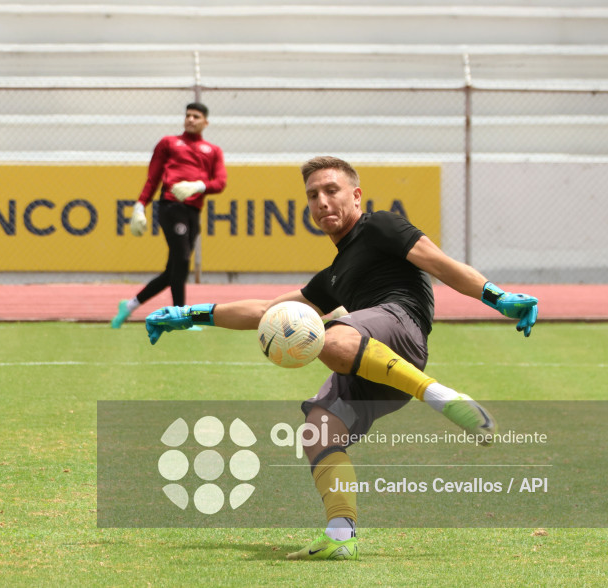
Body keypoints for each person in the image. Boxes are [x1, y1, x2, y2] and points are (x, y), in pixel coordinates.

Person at [144, 156, 538, 560]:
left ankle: (440, 396)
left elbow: (441, 265)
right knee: (318, 431)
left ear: (356, 195)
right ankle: (340, 535)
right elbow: (266, 310)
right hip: (372, 359)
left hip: (399, 326)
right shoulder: (332, 275)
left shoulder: (381, 225)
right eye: (313, 195)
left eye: (331, 191)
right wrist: (189, 314)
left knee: (328, 338)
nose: (322, 201)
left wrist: (498, 297)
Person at [111, 102, 227, 328]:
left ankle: (130, 305)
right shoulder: (169, 143)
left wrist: (199, 186)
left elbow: (220, 182)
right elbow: (153, 178)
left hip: (194, 210)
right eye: (188, 116)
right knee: (182, 259)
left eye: (196, 116)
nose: (191, 119)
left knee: (173, 270)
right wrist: (139, 206)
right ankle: (181, 318)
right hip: (171, 206)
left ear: (205, 122)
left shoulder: (213, 150)